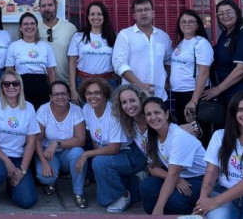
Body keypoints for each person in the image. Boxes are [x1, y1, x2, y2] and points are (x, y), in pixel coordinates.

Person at [0, 71, 40, 209]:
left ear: (20, 86)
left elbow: (31, 142)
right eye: (6, 84)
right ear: (1, 87)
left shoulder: (29, 107)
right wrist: (7, 163)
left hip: (18, 157)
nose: (11, 87)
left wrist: (22, 171)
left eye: (15, 83)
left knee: (27, 201)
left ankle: (11, 185)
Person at [139, 96, 207, 215]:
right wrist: (177, 180)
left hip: (200, 178)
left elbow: (173, 174)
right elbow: (152, 168)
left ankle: (196, 213)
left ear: (166, 114)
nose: (153, 117)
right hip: (178, 176)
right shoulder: (151, 135)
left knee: (173, 201)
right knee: (146, 186)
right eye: (148, 114)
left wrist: (159, 207)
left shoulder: (178, 136)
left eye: (157, 112)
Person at [201, 0, 243, 118]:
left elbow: (242, 68)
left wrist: (218, 89)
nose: (225, 16)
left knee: (238, 127)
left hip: (240, 92)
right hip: (227, 92)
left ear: (237, 12)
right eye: (221, 14)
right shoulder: (226, 33)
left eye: (228, 12)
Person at [94, 84, 150, 213]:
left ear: (141, 99)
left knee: (100, 162)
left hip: (165, 165)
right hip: (146, 160)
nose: (129, 105)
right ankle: (136, 182)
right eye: (124, 102)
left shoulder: (151, 118)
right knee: (103, 199)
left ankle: (123, 196)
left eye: (132, 100)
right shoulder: (129, 121)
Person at [35, 81, 86, 208]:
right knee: (46, 177)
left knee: (79, 153)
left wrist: (57, 143)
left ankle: (78, 193)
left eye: (64, 93)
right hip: (48, 153)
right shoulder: (43, 110)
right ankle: (51, 183)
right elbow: (36, 139)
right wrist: (44, 162)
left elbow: (80, 140)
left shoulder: (76, 110)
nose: (60, 97)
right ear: (50, 97)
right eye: (56, 94)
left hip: (68, 152)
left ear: (69, 95)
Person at [75, 78, 127, 205]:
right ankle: (130, 183)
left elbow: (115, 148)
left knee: (104, 200)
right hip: (108, 153)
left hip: (126, 152)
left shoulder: (114, 113)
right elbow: (95, 138)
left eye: (97, 93)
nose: (92, 96)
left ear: (105, 95)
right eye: (89, 93)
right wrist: (98, 155)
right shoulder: (87, 108)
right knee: (98, 162)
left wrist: (87, 154)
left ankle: (124, 195)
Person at [112, 0, 173, 100]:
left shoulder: (163, 36)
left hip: (158, 95)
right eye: (139, 10)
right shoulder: (125, 35)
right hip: (133, 97)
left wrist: (168, 79)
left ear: (153, 13)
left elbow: (168, 60)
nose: (143, 13)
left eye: (147, 9)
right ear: (134, 16)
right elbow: (119, 64)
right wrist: (139, 85)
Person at [169, 9, 214, 136]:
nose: (186, 24)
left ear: (197, 25)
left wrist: (194, 100)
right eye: (183, 21)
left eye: (190, 21)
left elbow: (204, 72)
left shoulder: (201, 43)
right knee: (185, 133)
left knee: (198, 133)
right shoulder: (182, 43)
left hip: (192, 94)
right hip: (179, 93)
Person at [68, 1, 118, 102]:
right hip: (83, 82)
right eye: (92, 14)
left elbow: (121, 59)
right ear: (88, 17)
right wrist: (73, 89)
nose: (96, 17)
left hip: (108, 83)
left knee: (110, 114)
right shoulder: (78, 36)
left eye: (99, 14)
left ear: (104, 16)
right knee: (85, 114)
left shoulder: (114, 36)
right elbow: (72, 63)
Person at [6, 12, 57, 109]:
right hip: (21, 88)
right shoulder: (14, 46)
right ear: (20, 27)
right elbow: (9, 72)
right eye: (25, 24)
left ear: (36, 26)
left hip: (42, 87)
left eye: (32, 23)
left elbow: (51, 72)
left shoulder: (45, 46)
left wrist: (53, 92)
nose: (29, 26)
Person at [37, 0, 77, 84]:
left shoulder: (70, 28)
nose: (47, 8)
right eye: (43, 6)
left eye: (50, 5)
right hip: (41, 83)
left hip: (65, 82)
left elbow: (76, 58)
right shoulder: (33, 28)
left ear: (56, 7)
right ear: (39, 9)